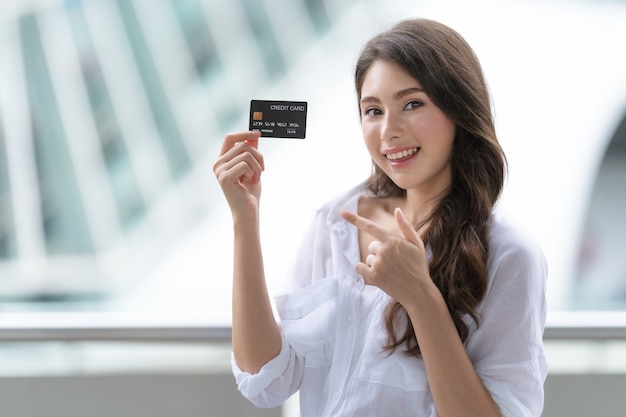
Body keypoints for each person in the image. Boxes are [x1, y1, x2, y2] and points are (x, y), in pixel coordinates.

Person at [212, 18, 547, 417]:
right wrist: (244, 220)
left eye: (412, 104)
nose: (389, 131)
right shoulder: (336, 224)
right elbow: (266, 380)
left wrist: (421, 297)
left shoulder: (509, 256)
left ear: (459, 109)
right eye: (373, 111)